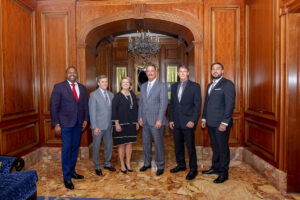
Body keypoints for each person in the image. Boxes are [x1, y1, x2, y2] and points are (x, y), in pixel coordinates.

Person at [50, 66, 89, 190]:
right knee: (66, 150)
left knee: (74, 149)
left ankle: (72, 171)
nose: (72, 74)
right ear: (66, 74)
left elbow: (85, 106)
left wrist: (86, 120)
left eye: (74, 72)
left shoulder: (82, 88)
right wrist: (56, 123)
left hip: (78, 124)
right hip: (65, 124)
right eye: (69, 72)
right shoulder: (59, 87)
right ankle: (67, 178)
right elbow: (54, 106)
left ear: (77, 74)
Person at [201, 62, 236, 183]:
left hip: (221, 124)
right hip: (210, 123)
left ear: (222, 71)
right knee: (215, 147)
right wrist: (204, 118)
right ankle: (215, 168)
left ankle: (223, 173)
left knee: (222, 149)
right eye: (213, 69)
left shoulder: (227, 84)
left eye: (217, 69)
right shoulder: (209, 85)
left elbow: (229, 105)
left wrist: (225, 123)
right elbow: (207, 104)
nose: (215, 71)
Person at [169, 65, 202, 180]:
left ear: (188, 73)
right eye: (180, 72)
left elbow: (197, 106)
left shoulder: (195, 87)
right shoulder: (173, 87)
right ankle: (181, 165)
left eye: (184, 72)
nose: (182, 74)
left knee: (190, 147)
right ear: (178, 74)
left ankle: (193, 169)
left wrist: (193, 120)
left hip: (188, 122)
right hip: (176, 122)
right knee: (178, 146)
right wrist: (171, 119)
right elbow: (172, 104)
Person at [138, 63, 168, 176]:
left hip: (156, 121)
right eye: (148, 71)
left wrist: (160, 119)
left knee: (158, 144)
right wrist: (139, 117)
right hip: (145, 120)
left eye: (152, 71)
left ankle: (160, 165)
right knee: (146, 143)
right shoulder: (144, 85)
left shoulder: (162, 85)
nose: (150, 73)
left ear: (156, 72)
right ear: (146, 73)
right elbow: (141, 103)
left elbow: (163, 104)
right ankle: (147, 163)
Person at [89, 75, 116, 177]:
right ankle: (97, 166)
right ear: (98, 83)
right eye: (103, 82)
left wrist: (113, 124)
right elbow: (92, 112)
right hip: (98, 127)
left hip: (109, 126)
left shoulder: (111, 94)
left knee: (108, 146)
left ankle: (107, 164)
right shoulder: (93, 95)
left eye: (106, 82)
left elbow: (112, 111)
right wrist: (94, 126)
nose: (105, 83)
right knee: (96, 147)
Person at [112, 77, 139, 173]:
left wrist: (136, 122)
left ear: (130, 84)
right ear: (121, 84)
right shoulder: (117, 96)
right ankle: (122, 164)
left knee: (129, 144)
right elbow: (114, 111)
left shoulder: (133, 95)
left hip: (131, 124)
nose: (125, 84)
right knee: (121, 145)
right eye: (123, 82)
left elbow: (135, 109)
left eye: (127, 82)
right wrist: (116, 123)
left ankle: (128, 163)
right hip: (121, 124)